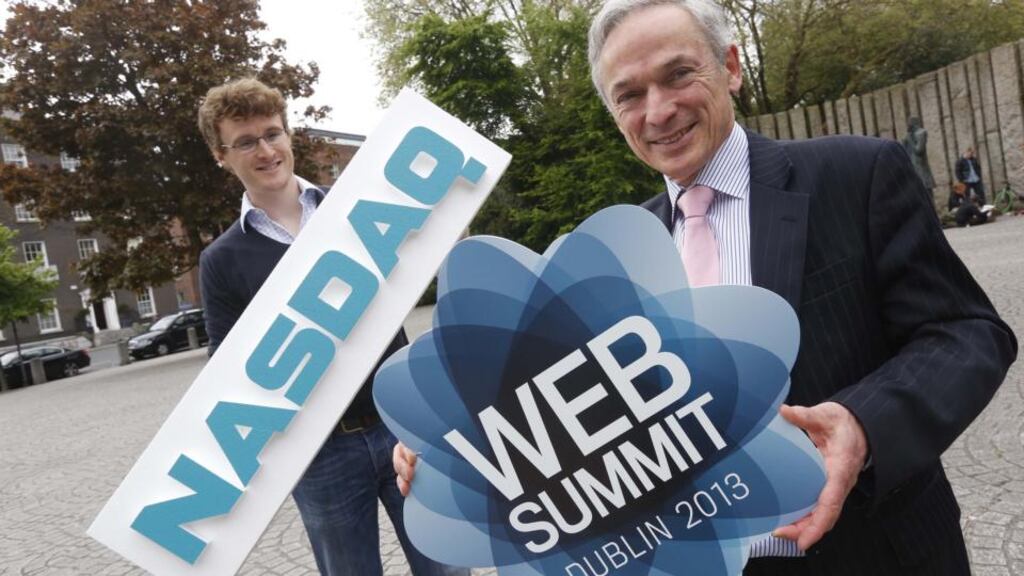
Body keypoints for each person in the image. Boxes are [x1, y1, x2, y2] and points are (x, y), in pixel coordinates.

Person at [393, 1, 1017, 574]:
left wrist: (862, 422)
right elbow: (583, 420)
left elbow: (967, 332)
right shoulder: (620, 256)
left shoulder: (856, 175)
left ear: (730, 67)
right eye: (629, 94)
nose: (658, 110)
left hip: (874, 551)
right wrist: (460, 456)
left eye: (678, 75)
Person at [197, 78, 467, 576]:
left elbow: (433, 246)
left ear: (288, 135)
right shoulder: (221, 261)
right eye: (246, 141)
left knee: (448, 565)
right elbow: (229, 370)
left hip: (403, 422)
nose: (266, 150)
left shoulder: (358, 209)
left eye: (273, 133)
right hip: (319, 455)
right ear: (221, 155)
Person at [902, 117, 935, 193]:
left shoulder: (921, 133)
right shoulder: (909, 135)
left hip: (920, 166)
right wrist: (905, 142)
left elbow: (919, 150)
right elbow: (905, 151)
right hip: (913, 166)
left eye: (909, 124)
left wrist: (910, 140)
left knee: (926, 191)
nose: (908, 125)